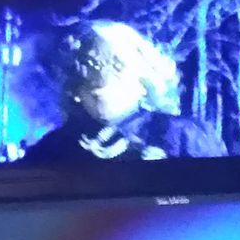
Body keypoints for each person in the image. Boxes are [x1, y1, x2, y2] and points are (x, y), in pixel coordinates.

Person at [25, 20, 225, 163]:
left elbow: (222, 202)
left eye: (116, 65)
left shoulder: (184, 134)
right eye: (82, 68)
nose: (99, 74)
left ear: (145, 76)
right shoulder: (54, 148)